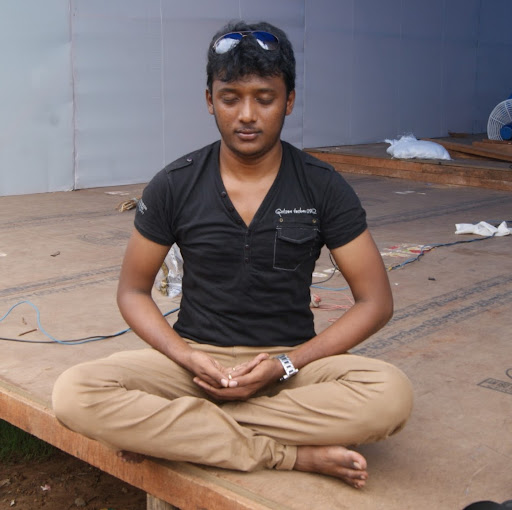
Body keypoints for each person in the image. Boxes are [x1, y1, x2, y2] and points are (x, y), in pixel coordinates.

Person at [52, 20, 413, 490]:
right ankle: (285, 453)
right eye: (230, 98)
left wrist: (284, 365)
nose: (247, 115)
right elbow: (133, 291)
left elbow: (376, 302)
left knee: (390, 395)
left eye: (264, 98)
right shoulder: (174, 184)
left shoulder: (322, 186)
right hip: (195, 366)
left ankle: (178, 430)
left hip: (288, 367)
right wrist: (185, 356)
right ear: (209, 101)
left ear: (289, 101)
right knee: (75, 393)